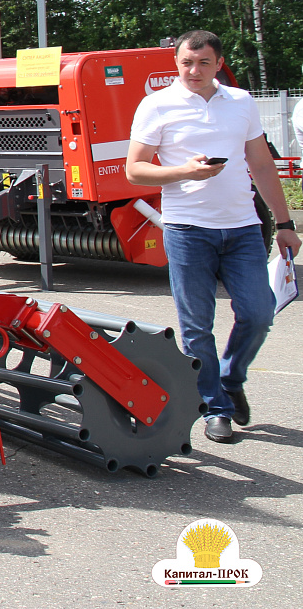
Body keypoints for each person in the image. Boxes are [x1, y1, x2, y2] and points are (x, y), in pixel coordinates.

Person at [126, 31, 300, 444]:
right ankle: (215, 408)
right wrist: (185, 172)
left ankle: (230, 379)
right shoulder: (156, 105)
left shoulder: (240, 101)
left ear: (219, 64)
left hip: (243, 228)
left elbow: (261, 164)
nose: (194, 71)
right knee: (197, 327)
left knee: (259, 313)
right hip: (187, 230)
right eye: (186, 62)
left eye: (203, 63)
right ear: (176, 62)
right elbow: (135, 170)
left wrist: (285, 224)